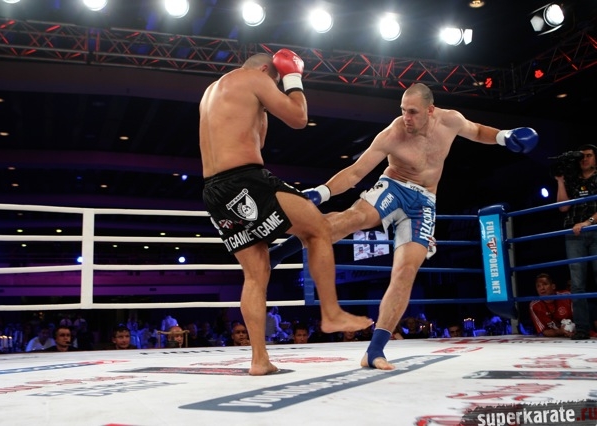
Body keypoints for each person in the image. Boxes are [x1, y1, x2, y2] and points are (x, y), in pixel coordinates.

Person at [270, 82, 538, 369]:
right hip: (394, 186)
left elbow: (476, 131)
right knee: (354, 218)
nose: (406, 117)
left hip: (424, 203)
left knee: (405, 272)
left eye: (412, 112)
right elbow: (356, 172)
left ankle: (375, 351)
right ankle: (277, 253)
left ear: (430, 110)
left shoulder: (450, 120)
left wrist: (504, 136)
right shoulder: (393, 133)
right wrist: (322, 192)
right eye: (403, 110)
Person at [199, 50, 373, 374]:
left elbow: (257, 141)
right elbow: (298, 117)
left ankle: (259, 360)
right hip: (245, 179)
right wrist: (292, 77)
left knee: (256, 274)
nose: (275, 88)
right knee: (318, 229)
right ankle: (331, 312)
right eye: (275, 81)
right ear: (267, 69)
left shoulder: (213, 91)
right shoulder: (254, 78)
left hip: (214, 191)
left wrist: (263, 108)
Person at [555, 144, 597, 340]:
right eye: (582, 156)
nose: (584, 159)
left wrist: (587, 222)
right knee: (577, 283)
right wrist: (560, 181)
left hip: (594, 229)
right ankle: (582, 328)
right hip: (574, 233)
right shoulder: (573, 179)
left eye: (589, 156)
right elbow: (563, 207)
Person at [529, 273, 575, 337]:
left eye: (545, 284)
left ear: (553, 286)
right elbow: (544, 331)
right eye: (538, 286)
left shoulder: (567, 296)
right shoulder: (534, 306)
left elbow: (580, 320)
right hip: (555, 337)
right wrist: (560, 331)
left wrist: (574, 329)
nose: (542, 288)